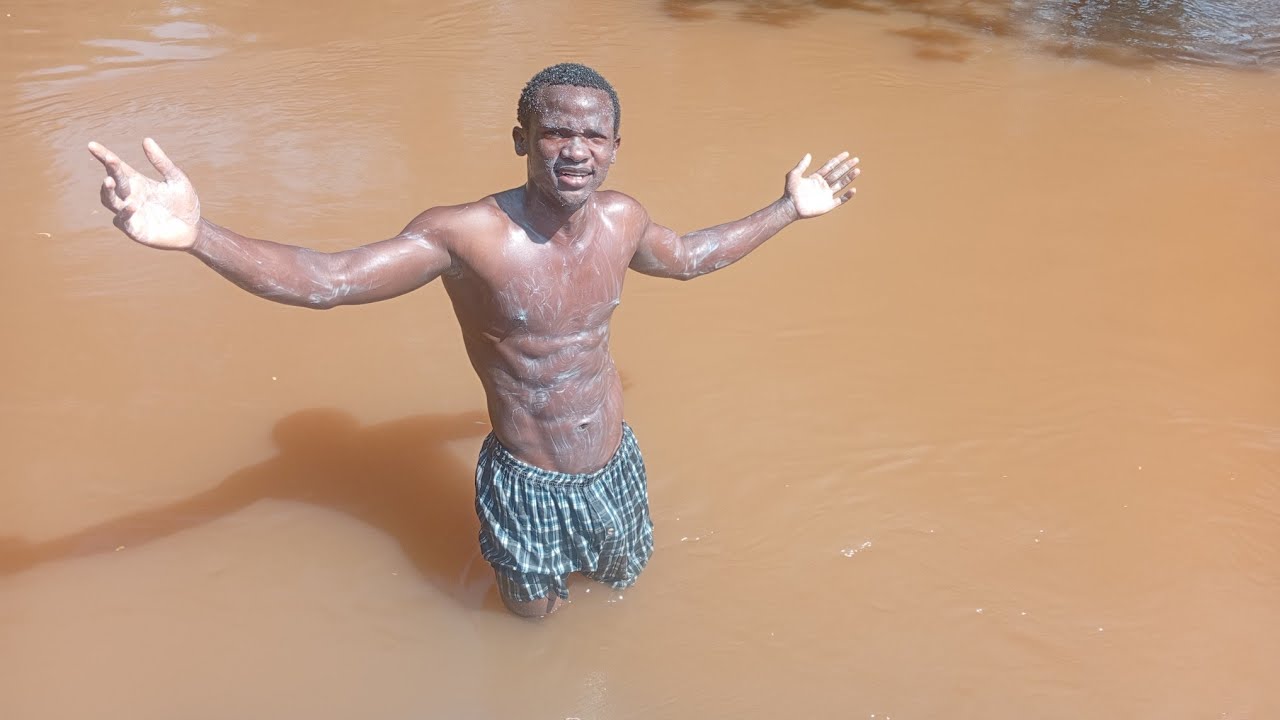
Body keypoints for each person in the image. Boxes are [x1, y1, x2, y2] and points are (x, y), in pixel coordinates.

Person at [88, 62, 860, 619]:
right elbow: (328, 279)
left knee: (625, 592)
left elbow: (690, 258)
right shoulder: (464, 236)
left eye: (594, 135)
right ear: (522, 136)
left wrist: (787, 209)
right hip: (526, 483)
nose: (576, 149)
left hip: (615, 465)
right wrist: (199, 237)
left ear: (616, 146)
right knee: (528, 622)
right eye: (557, 130)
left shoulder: (624, 220)